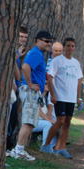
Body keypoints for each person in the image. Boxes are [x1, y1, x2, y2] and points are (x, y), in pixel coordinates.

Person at [11, 31, 53, 161]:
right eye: (46, 41)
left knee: (30, 123)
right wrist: (30, 84)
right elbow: (25, 67)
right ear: (38, 40)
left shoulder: (38, 53)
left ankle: (20, 149)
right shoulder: (35, 53)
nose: (49, 44)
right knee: (29, 122)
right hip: (30, 91)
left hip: (33, 92)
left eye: (50, 42)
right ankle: (18, 150)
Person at [40, 37, 83, 159]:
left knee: (67, 122)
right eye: (68, 45)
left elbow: (78, 81)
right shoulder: (57, 61)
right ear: (64, 47)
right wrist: (53, 94)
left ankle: (62, 148)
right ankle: (46, 145)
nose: (70, 48)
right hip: (59, 96)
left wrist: (79, 98)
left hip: (71, 98)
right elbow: (50, 78)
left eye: (72, 46)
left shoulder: (76, 63)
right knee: (60, 121)